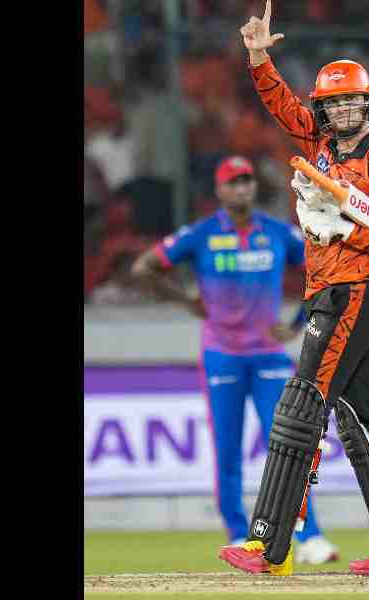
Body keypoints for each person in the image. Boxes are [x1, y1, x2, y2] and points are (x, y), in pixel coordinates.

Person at [218, 0, 369, 578]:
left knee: (302, 406)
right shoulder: (315, 142)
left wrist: (348, 227)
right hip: (331, 292)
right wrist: (259, 57)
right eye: (332, 103)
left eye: (351, 101)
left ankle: (272, 545)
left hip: (356, 292)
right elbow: (279, 103)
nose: (341, 111)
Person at [131, 155, 340, 565]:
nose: (242, 188)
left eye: (247, 181)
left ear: (253, 188)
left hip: (269, 359)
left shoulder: (279, 233)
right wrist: (186, 301)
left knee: (288, 447)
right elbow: (144, 268)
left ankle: (310, 535)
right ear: (220, 190)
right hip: (222, 357)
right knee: (227, 452)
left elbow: (323, 268)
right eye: (234, 182)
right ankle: (239, 535)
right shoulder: (203, 234)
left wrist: (299, 321)